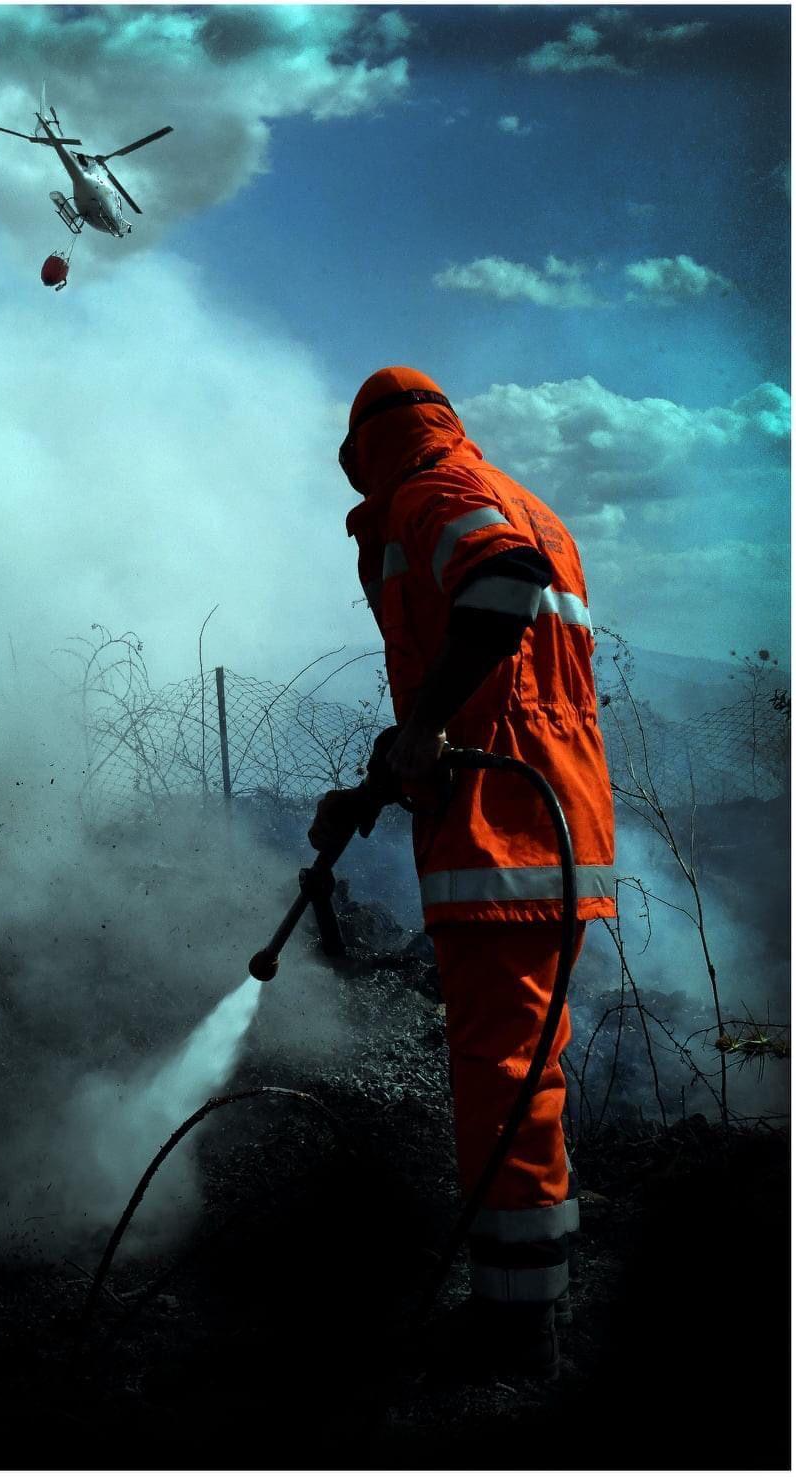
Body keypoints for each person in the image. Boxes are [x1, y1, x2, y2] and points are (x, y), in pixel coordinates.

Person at [311, 367, 615, 1379]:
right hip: (540, 817)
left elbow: (500, 587)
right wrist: (383, 769)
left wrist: (426, 724)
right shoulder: (507, 491)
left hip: (505, 832)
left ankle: (515, 1329)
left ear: (369, 447)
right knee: (525, 1065)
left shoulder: (429, 491)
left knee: (502, 1074)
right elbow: (491, 671)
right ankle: (531, 1293)